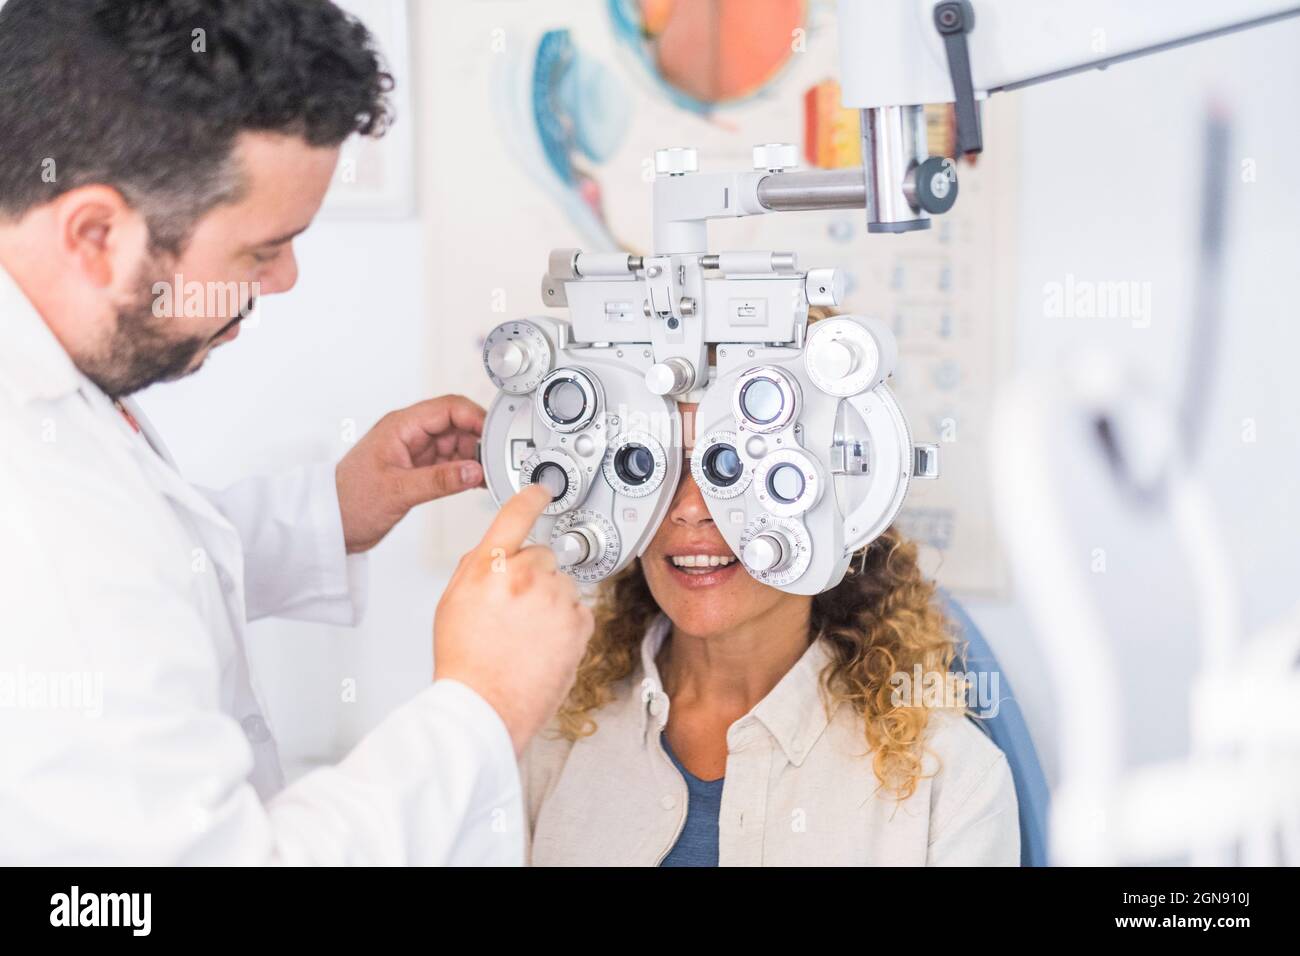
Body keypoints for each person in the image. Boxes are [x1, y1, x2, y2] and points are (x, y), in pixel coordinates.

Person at [0, 0, 591, 864]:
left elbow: (146, 559)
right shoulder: (43, 527)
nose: (283, 280)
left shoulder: (53, 402)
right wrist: (481, 705)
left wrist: (334, 510)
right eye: (261, 249)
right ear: (95, 234)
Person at [520, 396, 1020, 866]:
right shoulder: (539, 736)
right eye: (650, 464)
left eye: (733, 465)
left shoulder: (949, 779)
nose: (690, 507)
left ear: (835, 491)